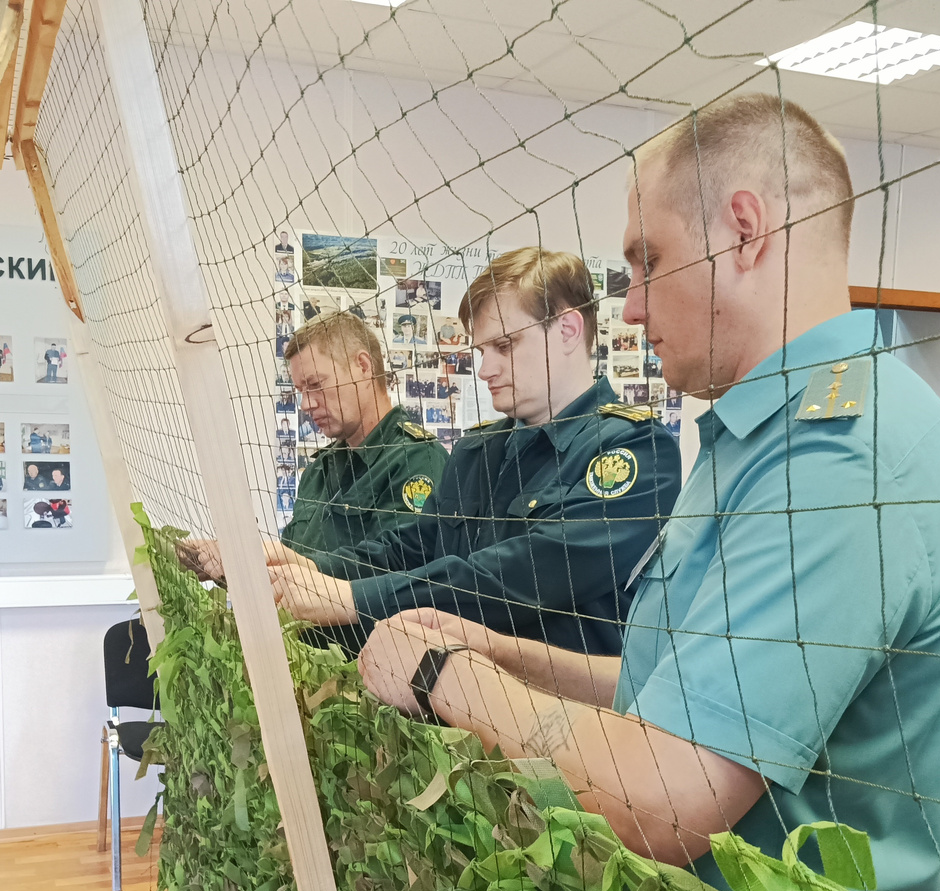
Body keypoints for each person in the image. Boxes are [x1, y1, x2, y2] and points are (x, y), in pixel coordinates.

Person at [355, 95, 940, 891]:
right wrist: (500, 652)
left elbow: (664, 796)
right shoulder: (761, 439)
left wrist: (442, 675)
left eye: (648, 262)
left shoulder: (842, 457)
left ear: (744, 232)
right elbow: (685, 693)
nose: (631, 309)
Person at [265, 247, 681, 656]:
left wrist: (352, 598)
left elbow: (521, 574)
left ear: (568, 330)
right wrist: (311, 569)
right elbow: (412, 545)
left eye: (505, 346)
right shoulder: (477, 450)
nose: (485, 370)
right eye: (483, 351)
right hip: (450, 687)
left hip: (559, 697)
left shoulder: (635, 449)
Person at [188, 310, 449, 628]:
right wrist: (235, 561)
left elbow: (405, 573)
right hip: (300, 650)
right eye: (301, 390)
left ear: (362, 366)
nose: (306, 404)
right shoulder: (319, 470)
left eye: (315, 384)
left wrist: (306, 567)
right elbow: (288, 573)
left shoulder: (416, 459)